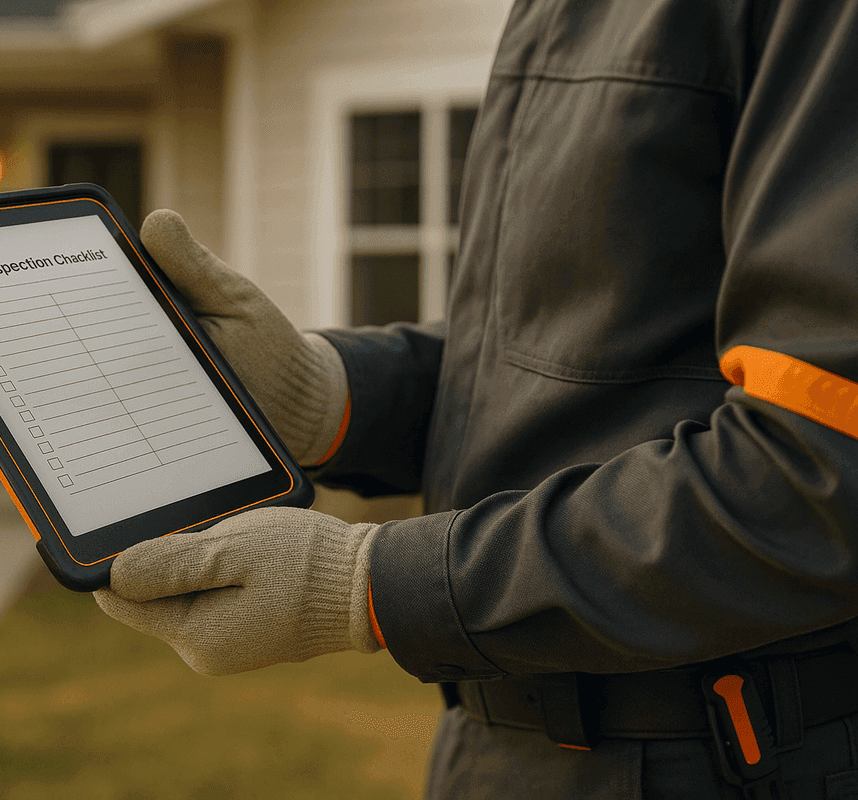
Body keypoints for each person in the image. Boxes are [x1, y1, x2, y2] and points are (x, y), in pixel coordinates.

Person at [94, 0, 858, 796]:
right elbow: (560, 357)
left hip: (711, 760)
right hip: (498, 748)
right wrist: (326, 392)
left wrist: (372, 585)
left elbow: (819, 475)